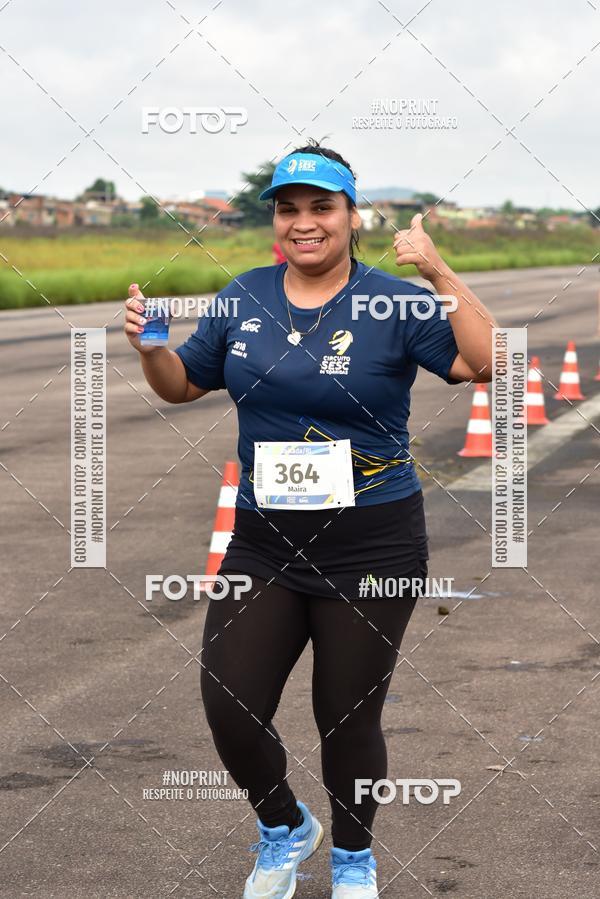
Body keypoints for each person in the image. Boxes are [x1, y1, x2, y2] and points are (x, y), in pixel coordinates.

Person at [123, 140, 497, 898]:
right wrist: (150, 346)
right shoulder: (240, 297)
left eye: (321, 207)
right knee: (228, 700)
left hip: (373, 544)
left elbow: (486, 361)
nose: (304, 222)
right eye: (289, 209)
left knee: (346, 716)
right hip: (265, 543)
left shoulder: (391, 300)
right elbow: (181, 385)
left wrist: (435, 268)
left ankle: (354, 856)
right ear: (276, 220)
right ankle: (283, 825)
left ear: (351, 216)